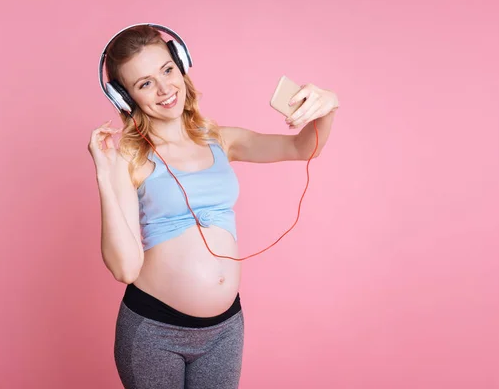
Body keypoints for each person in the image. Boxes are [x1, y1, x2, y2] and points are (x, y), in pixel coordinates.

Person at [88, 23, 339, 389]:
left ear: (182, 65)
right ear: (125, 98)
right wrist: (104, 177)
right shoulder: (128, 158)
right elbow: (125, 269)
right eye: (144, 84)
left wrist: (328, 106)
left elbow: (303, 148)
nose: (164, 89)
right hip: (155, 332)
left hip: (224, 330)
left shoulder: (221, 139)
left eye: (167, 70)